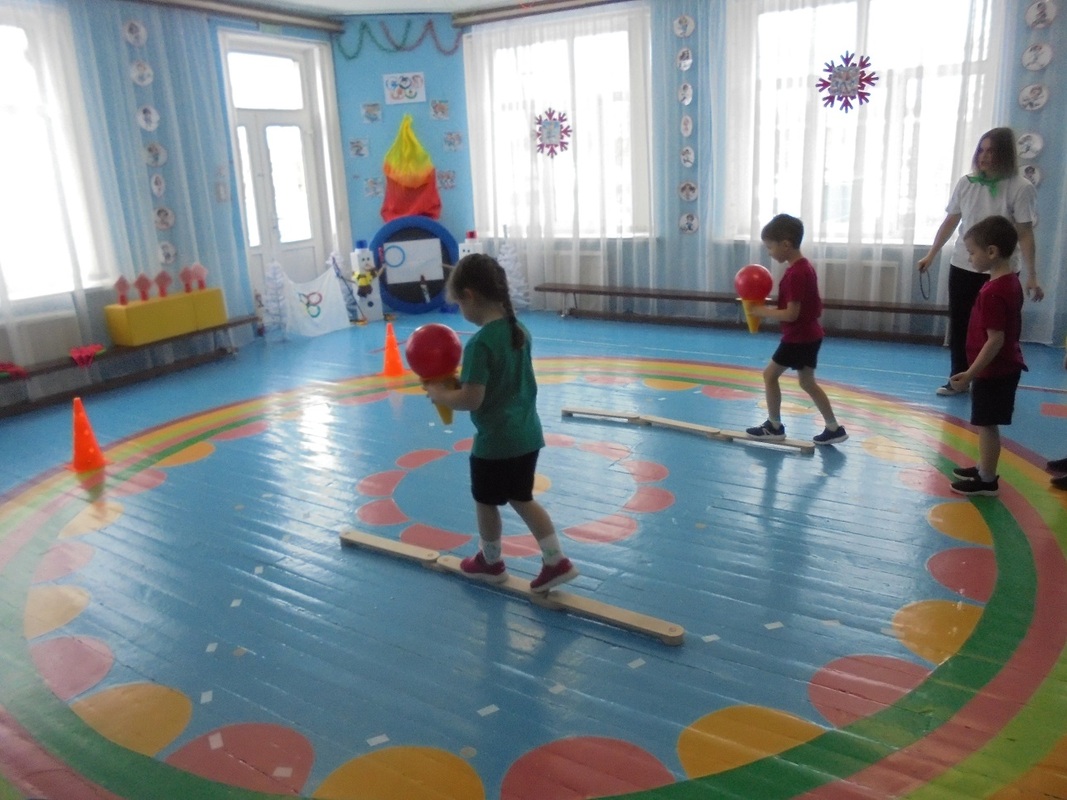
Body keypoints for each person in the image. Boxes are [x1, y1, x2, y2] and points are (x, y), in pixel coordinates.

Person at [425, 253, 578, 592]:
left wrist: (441, 394)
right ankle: (556, 559)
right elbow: (501, 382)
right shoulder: (518, 330)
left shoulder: (479, 344)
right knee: (522, 498)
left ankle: (490, 562)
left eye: (458, 304)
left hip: (495, 442)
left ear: (470, 296)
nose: (460, 311)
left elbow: (472, 399)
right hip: (527, 435)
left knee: (486, 500)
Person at [917, 127, 1041, 397]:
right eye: (981, 150)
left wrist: (1032, 274)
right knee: (961, 323)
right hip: (964, 264)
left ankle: (991, 376)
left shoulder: (1021, 187)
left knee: (997, 328)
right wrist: (932, 253)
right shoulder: (967, 183)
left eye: (991, 151)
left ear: (1004, 154)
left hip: (1001, 271)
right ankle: (959, 377)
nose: (984, 156)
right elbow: (951, 221)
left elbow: (1025, 233)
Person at [744, 214, 848, 446]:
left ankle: (774, 426)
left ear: (785, 244)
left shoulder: (796, 274)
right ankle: (834, 428)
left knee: (769, 375)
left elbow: (792, 314)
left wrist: (762, 312)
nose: (769, 252)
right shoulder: (803, 267)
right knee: (807, 383)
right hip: (811, 335)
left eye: (770, 247)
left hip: (798, 338)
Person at [948, 215, 1027, 497]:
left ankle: (987, 479)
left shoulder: (995, 291)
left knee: (986, 425)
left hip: (994, 370)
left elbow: (996, 340)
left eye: (972, 253)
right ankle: (984, 466)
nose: (970, 258)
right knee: (985, 423)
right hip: (1000, 367)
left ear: (991, 252)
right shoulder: (1008, 281)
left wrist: (970, 373)